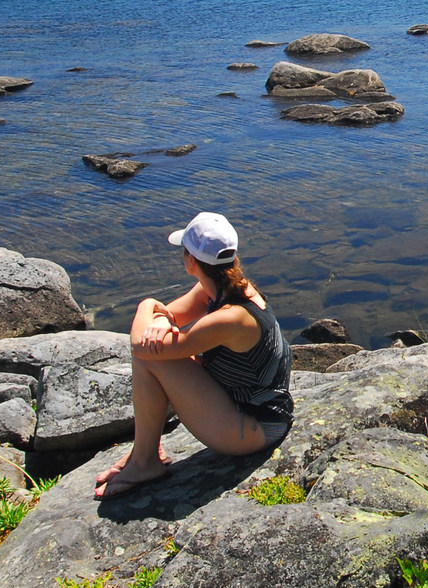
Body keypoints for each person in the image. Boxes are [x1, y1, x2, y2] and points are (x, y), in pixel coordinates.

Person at [94, 211, 294, 499]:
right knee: (158, 354)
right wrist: (163, 318)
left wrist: (146, 304)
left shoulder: (230, 317)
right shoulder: (228, 289)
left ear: (191, 262)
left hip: (255, 428)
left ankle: (145, 461)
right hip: (256, 409)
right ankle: (146, 450)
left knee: (149, 357)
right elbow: (170, 315)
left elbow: (141, 346)